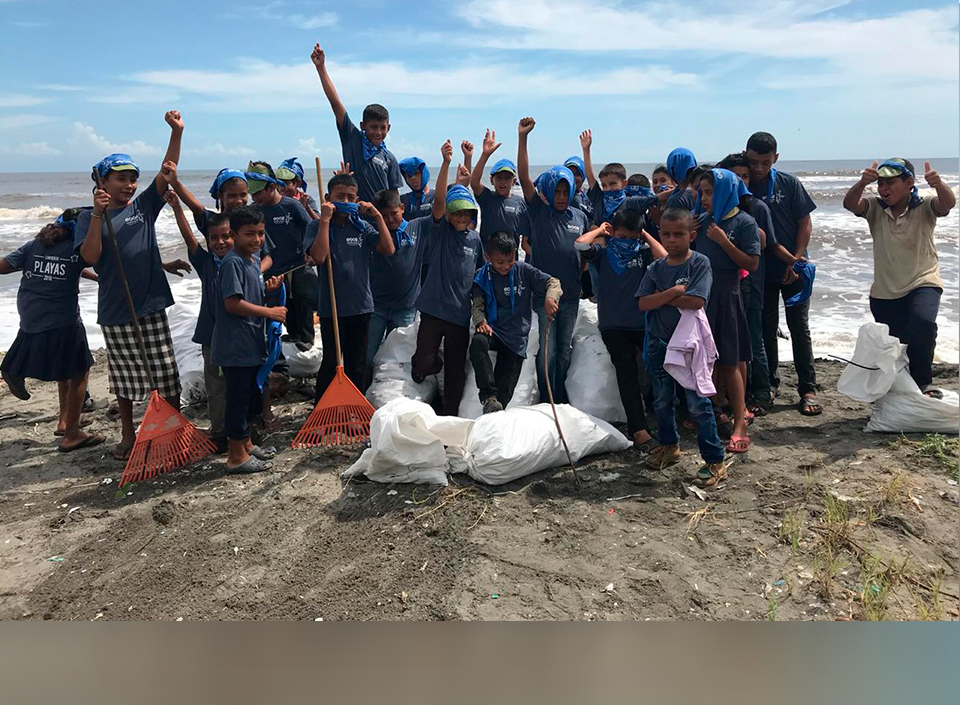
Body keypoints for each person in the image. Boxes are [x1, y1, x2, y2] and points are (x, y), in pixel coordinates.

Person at [75, 110, 187, 461]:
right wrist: (96, 214)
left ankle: (173, 427)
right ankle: (128, 432)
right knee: (124, 379)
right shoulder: (87, 216)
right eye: (120, 178)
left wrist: (177, 133)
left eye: (132, 179)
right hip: (116, 308)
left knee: (166, 375)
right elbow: (90, 257)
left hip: (150, 303)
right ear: (102, 183)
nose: (128, 185)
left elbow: (167, 170)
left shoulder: (143, 207)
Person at [843, 158, 956, 398]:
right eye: (881, 183)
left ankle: (924, 383)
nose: (884, 188)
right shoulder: (875, 208)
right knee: (896, 346)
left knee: (923, 324)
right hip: (885, 292)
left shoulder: (925, 205)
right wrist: (863, 182)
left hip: (922, 281)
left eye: (890, 183)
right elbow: (850, 204)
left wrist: (938, 184)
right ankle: (902, 393)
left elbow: (947, 203)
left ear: (909, 183)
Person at [0, 211, 104, 452]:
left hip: (30, 313)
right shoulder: (77, 249)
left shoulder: (34, 245)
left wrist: (93, 278)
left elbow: (5, 267)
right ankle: (73, 434)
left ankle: (64, 421)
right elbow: (82, 259)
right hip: (62, 318)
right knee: (80, 370)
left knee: (64, 369)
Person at [637, 207, 726, 488]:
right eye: (666, 234)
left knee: (698, 404)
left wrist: (660, 297)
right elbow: (642, 303)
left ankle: (714, 460)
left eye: (678, 234)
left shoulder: (699, 264)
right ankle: (670, 446)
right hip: (658, 343)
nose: (672, 240)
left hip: (688, 346)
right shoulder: (655, 268)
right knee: (662, 401)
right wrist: (674, 293)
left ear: (692, 235)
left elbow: (697, 301)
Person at [576, 208, 667, 450]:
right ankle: (639, 431)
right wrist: (600, 230)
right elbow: (581, 245)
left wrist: (645, 236)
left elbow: (665, 258)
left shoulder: (643, 253)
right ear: (613, 232)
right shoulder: (604, 254)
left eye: (632, 238)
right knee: (626, 373)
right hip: (613, 324)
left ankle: (661, 420)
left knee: (654, 371)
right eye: (622, 236)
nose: (627, 242)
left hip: (642, 323)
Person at [745, 131, 821, 416]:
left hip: (794, 266)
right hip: (759, 270)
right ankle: (771, 383)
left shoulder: (789, 184)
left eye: (765, 162)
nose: (759, 168)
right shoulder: (742, 183)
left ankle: (808, 388)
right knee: (765, 328)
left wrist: (798, 257)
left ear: (775, 158)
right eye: (754, 162)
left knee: (799, 328)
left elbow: (805, 222)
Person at [717, 152, 798, 415]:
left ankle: (762, 392)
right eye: (735, 177)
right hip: (722, 287)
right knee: (727, 343)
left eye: (745, 176)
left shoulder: (755, 208)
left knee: (754, 338)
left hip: (751, 283)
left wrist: (795, 261)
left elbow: (769, 244)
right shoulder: (715, 208)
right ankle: (732, 393)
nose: (741, 181)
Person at [516, 117, 591, 404]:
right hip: (543, 295)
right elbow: (524, 178)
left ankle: (560, 400)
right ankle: (546, 401)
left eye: (565, 191)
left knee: (564, 351)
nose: (561, 196)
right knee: (546, 351)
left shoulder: (580, 216)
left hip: (571, 295)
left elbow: (584, 251)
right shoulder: (539, 212)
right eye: (557, 191)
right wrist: (522, 138)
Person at [411, 140, 485, 416]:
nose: (461, 217)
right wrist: (445, 163)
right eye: (458, 212)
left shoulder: (475, 241)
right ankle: (431, 368)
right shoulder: (440, 232)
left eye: (467, 213)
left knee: (456, 370)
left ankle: (450, 414)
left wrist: (480, 314)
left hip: (458, 315)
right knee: (421, 363)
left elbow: (479, 277)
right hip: (432, 309)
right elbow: (442, 200)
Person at [212, 204, 285, 474]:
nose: (256, 240)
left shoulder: (252, 260)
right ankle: (235, 457)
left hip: (251, 341)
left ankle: (247, 444)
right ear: (233, 235)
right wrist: (269, 311)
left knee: (251, 396)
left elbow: (250, 296)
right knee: (238, 399)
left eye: (261, 233)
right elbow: (232, 303)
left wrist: (269, 292)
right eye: (249, 234)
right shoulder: (232, 262)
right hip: (235, 345)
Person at [307, 173, 394, 401]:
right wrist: (325, 220)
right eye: (339, 196)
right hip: (331, 308)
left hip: (361, 306)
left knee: (357, 363)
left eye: (350, 197)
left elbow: (388, 249)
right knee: (331, 362)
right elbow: (318, 256)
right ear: (328, 198)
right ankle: (322, 407)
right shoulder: (316, 226)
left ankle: (353, 407)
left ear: (357, 200)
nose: (345, 202)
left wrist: (377, 216)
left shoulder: (362, 227)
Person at [695, 168, 761, 453]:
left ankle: (739, 421)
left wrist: (723, 241)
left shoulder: (744, 222)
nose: (705, 198)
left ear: (725, 192)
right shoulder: (703, 221)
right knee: (703, 360)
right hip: (702, 297)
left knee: (729, 361)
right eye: (702, 193)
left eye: (710, 192)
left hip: (728, 295)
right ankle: (714, 414)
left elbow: (752, 263)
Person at [164, 189, 232, 453]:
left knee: (240, 385)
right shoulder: (206, 263)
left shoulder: (245, 262)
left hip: (239, 336)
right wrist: (178, 209)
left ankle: (242, 429)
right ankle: (219, 433)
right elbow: (189, 238)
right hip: (212, 335)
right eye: (214, 238)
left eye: (226, 236)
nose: (221, 242)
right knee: (216, 387)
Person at [470, 230, 562, 413]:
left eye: (510, 260)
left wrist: (551, 298)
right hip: (493, 330)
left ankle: (495, 416)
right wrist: (480, 322)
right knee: (477, 343)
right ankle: (488, 396)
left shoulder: (523, 271)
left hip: (515, 338)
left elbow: (553, 282)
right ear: (488, 257)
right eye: (500, 262)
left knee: (504, 392)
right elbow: (477, 304)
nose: (506, 266)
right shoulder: (482, 276)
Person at [311, 42, 404, 203]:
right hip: (355, 216)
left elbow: (394, 196)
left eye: (383, 128)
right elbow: (335, 103)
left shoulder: (389, 158)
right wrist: (321, 68)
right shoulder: (353, 139)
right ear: (362, 126)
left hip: (379, 220)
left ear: (388, 127)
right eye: (373, 127)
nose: (378, 132)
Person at [246, 160, 316, 349]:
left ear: (272, 186)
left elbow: (311, 228)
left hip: (297, 265)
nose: (255, 197)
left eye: (258, 192)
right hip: (271, 268)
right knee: (281, 307)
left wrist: (310, 251)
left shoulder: (291, 206)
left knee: (303, 303)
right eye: (252, 193)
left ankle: (307, 339)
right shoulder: (255, 211)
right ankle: (290, 337)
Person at [366, 187, 436, 372]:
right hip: (376, 306)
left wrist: (447, 166)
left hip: (406, 307)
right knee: (367, 354)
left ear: (402, 208)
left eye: (394, 213)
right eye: (384, 215)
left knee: (399, 358)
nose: (390, 219)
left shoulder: (418, 227)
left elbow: (440, 210)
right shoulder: (373, 233)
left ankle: (395, 396)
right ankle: (361, 392)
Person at [469, 129, 529, 252]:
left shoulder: (520, 202)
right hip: (487, 258)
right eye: (499, 178)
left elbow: (526, 232)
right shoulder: (488, 198)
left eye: (507, 178)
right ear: (492, 180)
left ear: (513, 181)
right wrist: (485, 155)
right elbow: (474, 182)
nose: (503, 182)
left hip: (511, 260)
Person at [398, 157, 434, 221]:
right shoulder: (403, 200)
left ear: (424, 173)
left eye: (416, 173)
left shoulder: (436, 196)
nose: (413, 178)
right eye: (409, 176)